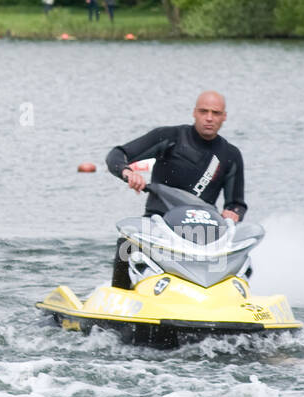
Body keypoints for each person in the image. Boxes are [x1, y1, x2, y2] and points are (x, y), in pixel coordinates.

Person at [103, 91, 247, 289]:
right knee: (126, 243)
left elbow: (237, 204)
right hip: (158, 225)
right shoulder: (169, 137)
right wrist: (127, 173)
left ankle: (235, 297)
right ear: (194, 113)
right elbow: (117, 154)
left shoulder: (230, 155)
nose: (209, 118)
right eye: (204, 111)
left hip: (203, 232)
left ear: (224, 117)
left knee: (242, 254)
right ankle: (118, 296)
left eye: (215, 113)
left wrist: (233, 213)